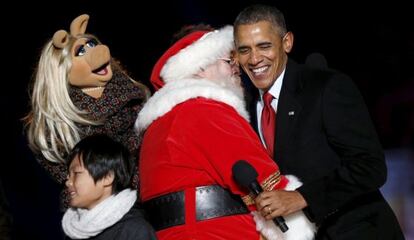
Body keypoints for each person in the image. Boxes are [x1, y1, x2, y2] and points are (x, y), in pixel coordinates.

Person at [233, 4, 404, 239]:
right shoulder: (245, 107)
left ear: (287, 43)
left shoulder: (326, 87)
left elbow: (370, 167)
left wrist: (303, 197)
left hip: (358, 231)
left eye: (264, 46)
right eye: (244, 50)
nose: (254, 59)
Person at [135, 24, 315, 240]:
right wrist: (297, 220)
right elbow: (260, 176)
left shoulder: (161, 121)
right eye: (229, 60)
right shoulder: (203, 108)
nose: (237, 66)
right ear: (199, 68)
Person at [24, 14, 148, 209]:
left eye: (92, 45)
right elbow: (75, 182)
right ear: (62, 69)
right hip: (101, 216)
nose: (95, 51)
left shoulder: (134, 98)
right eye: (81, 51)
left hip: (155, 198)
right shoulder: (58, 132)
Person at [62, 134, 157, 239]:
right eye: (68, 175)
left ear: (107, 177)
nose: (68, 182)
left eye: (76, 173)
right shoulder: (74, 232)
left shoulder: (134, 230)